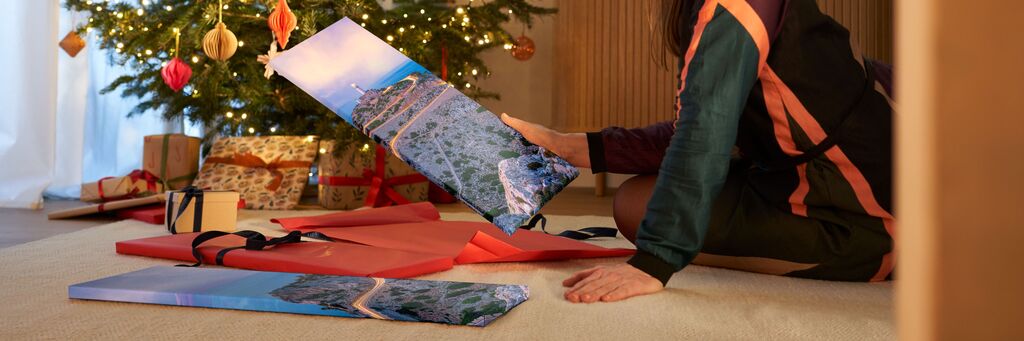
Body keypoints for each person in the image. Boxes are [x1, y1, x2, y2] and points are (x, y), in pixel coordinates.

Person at [501, 0, 894, 303]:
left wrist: (657, 260)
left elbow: (707, 126)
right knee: (637, 201)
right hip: (804, 173)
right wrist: (570, 146)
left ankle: (881, 252)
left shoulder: (731, 6)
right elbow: (703, 126)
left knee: (640, 208)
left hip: (861, 212)